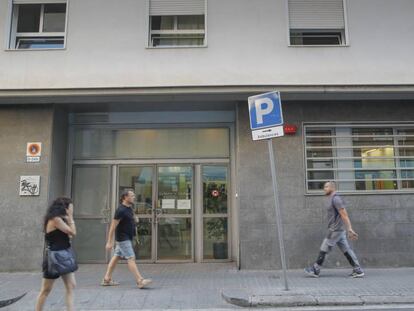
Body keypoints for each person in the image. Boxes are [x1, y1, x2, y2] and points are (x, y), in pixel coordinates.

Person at [304, 181, 364, 278]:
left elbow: (344, 215)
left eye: (327, 187)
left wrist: (350, 228)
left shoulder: (336, 199)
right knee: (347, 250)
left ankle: (316, 269)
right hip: (338, 230)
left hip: (335, 230)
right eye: (324, 187)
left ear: (332, 188)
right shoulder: (332, 198)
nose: (324, 188)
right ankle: (358, 270)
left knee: (325, 247)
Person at [101, 189, 152, 288]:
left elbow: (130, 217)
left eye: (134, 195)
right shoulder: (120, 210)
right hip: (123, 238)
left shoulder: (129, 208)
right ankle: (140, 280)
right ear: (125, 197)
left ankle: (107, 279)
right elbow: (113, 226)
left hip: (127, 237)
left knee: (116, 257)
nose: (134, 197)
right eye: (132, 195)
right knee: (131, 258)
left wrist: (135, 219)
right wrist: (109, 241)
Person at [36, 197, 77, 311]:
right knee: (46, 290)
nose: (72, 210)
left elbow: (69, 234)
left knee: (71, 285)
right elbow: (73, 232)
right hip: (54, 258)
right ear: (65, 208)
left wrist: (69, 220)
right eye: (71, 207)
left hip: (64, 255)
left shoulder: (62, 219)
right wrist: (71, 219)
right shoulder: (55, 220)